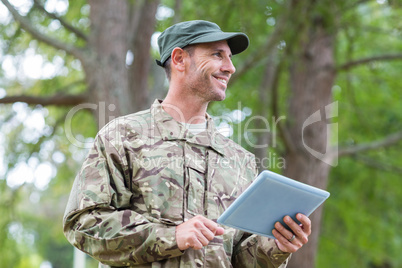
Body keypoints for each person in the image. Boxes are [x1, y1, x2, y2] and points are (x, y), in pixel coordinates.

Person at [63, 20, 311, 268]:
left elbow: (238, 258)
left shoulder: (240, 160)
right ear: (180, 59)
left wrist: (276, 246)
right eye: (217, 55)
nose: (230, 68)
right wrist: (172, 236)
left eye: (230, 58)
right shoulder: (122, 137)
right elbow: (83, 224)